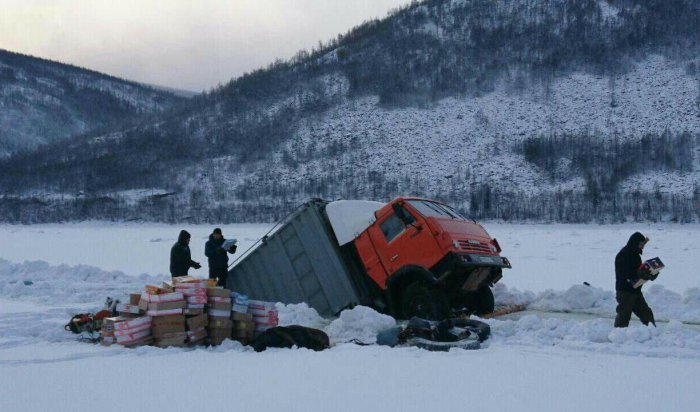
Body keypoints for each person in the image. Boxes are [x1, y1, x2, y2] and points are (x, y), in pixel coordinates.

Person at [614, 232, 656, 328]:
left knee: (646, 314)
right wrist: (640, 273)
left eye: (643, 244)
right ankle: (618, 337)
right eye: (641, 244)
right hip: (625, 292)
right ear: (634, 243)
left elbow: (638, 272)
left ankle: (653, 334)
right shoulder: (623, 255)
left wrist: (650, 274)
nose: (642, 247)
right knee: (623, 316)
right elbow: (625, 273)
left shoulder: (636, 255)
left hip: (635, 290)